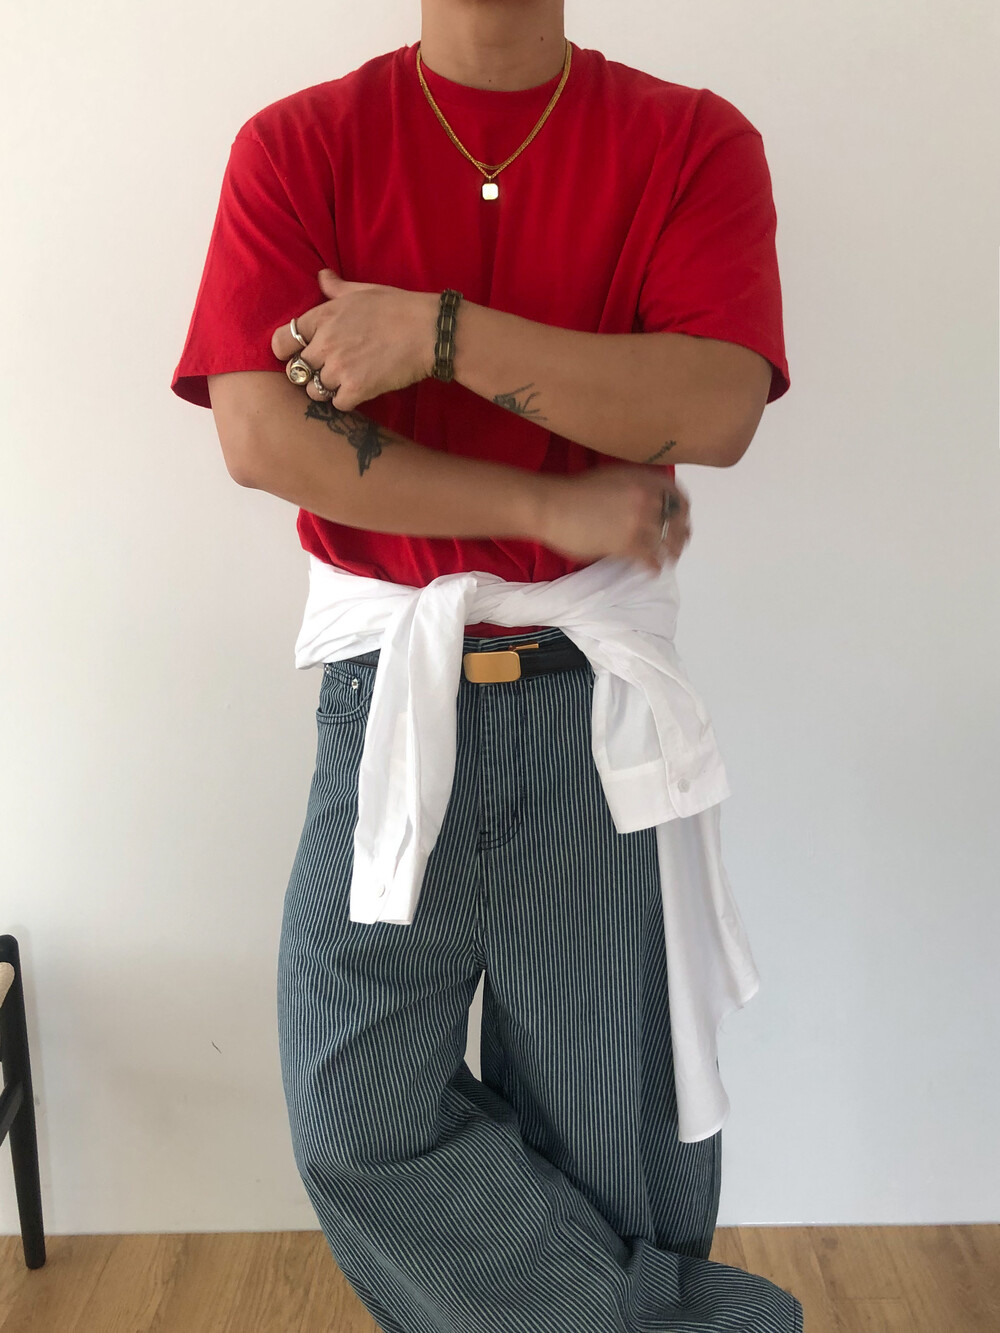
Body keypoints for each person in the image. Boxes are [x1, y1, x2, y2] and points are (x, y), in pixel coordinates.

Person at [170, 2, 801, 1330]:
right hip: (391, 693)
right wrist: (545, 505)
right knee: (351, 1112)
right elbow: (261, 434)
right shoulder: (299, 146)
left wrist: (435, 335)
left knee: (616, 1141)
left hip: (593, 708)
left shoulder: (691, 140)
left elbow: (714, 404)